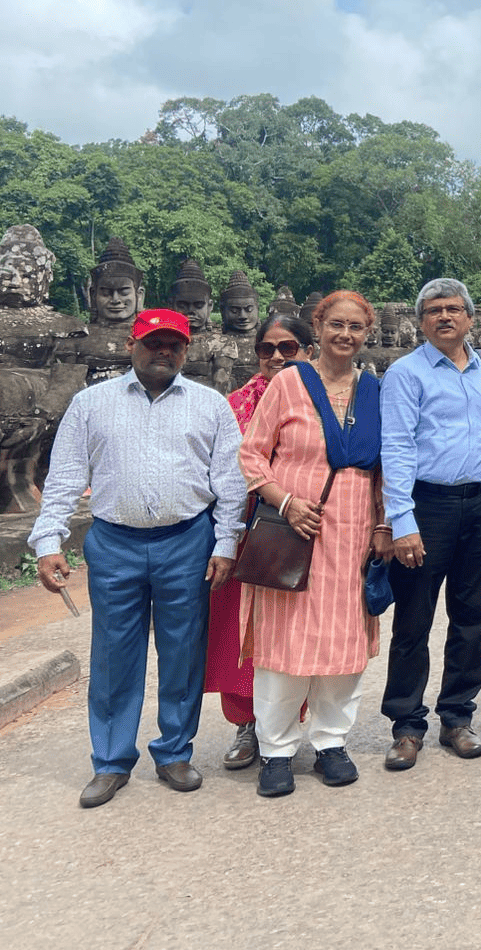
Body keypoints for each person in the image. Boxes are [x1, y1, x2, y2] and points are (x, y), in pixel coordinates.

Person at [30, 309, 246, 808]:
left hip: (187, 539)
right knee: (113, 655)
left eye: (173, 344)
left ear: (186, 350)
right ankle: (110, 761)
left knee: (183, 651)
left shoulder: (210, 406)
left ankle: (174, 752)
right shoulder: (91, 404)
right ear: (132, 344)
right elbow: (63, 477)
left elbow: (229, 485)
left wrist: (226, 544)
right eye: (153, 342)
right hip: (114, 542)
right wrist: (48, 542)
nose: (163, 351)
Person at [238, 292, 386, 797]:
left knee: (344, 644)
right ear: (317, 328)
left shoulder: (375, 391)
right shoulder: (289, 383)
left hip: (352, 534)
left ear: (368, 333)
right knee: (284, 644)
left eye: (356, 327)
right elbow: (253, 456)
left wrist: (383, 527)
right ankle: (276, 750)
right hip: (294, 530)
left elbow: (385, 468)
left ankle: (331, 742)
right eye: (336, 325)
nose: (345, 335)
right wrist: (284, 502)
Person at [380, 278, 481, 770]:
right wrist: (402, 520)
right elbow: (395, 447)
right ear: (421, 321)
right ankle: (407, 724)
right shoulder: (406, 373)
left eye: (454, 309)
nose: (444, 317)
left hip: (480, 501)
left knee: (471, 616)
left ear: (470, 319)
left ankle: (457, 716)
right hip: (427, 504)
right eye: (434, 310)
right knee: (413, 620)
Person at [206, 313, 313, 771]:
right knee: (239, 630)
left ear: (308, 351)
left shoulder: (324, 399)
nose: (276, 357)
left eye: (288, 348)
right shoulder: (234, 406)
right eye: (266, 349)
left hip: (305, 525)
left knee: (295, 626)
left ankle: (289, 723)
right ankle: (246, 725)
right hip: (245, 527)